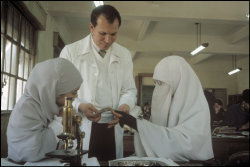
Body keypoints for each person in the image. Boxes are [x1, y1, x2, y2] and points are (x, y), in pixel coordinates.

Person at [59, 5, 137, 161]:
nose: (108, 40)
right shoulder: (71, 52)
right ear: (91, 27)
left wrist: (124, 107)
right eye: (103, 33)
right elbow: (61, 92)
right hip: (82, 125)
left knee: (111, 162)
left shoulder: (124, 55)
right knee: (82, 162)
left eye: (113, 34)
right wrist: (80, 105)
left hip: (112, 126)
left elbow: (129, 90)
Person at [112, 56, 214, 161]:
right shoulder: (169, 102)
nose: (157, 88)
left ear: (177, 80)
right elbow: (158, 132)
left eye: (160, 83)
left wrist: (137, 124)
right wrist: (137, 125)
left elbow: (188, 146)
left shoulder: (197, 107)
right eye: (156, 82)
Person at [7, 58, 83, 162]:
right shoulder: (27, 108)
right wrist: (60, 122)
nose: (76, 96)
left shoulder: (50, 106)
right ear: (54, 91)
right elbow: (30, 151)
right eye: (74, 92)